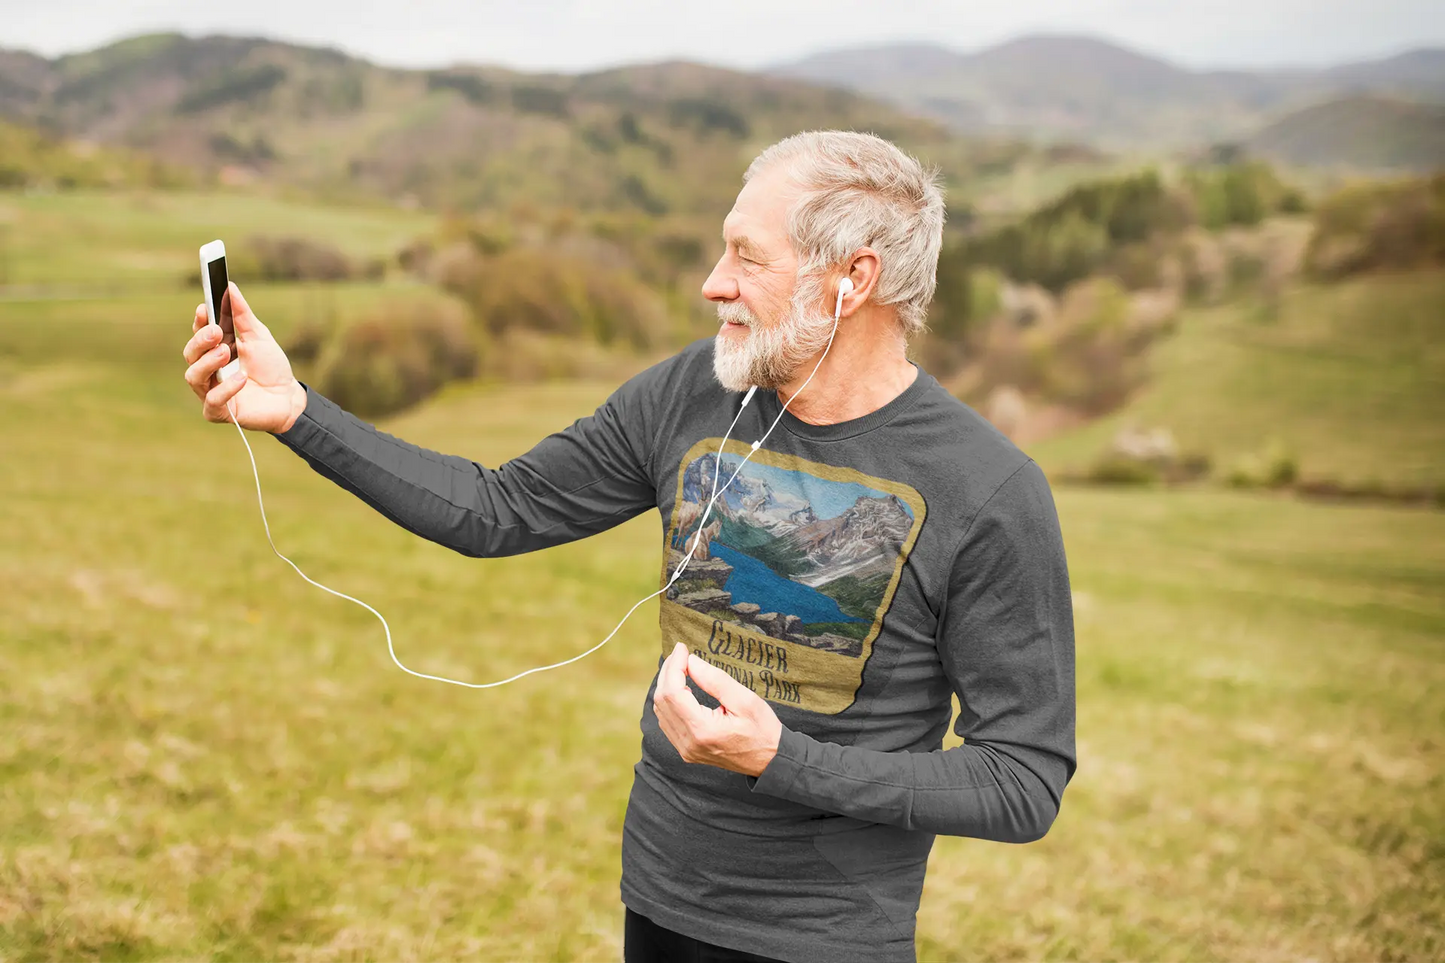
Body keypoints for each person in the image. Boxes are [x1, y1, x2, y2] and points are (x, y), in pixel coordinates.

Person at [180, 129, 1077, 963]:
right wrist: (297, 411)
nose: (712, 283)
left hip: (826, 933)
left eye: (746, 256)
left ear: (852, 279)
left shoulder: (988, 491)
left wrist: (780, 760)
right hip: (658, 894)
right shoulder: (690, 392)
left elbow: (1021, 780)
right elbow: (495, 508)